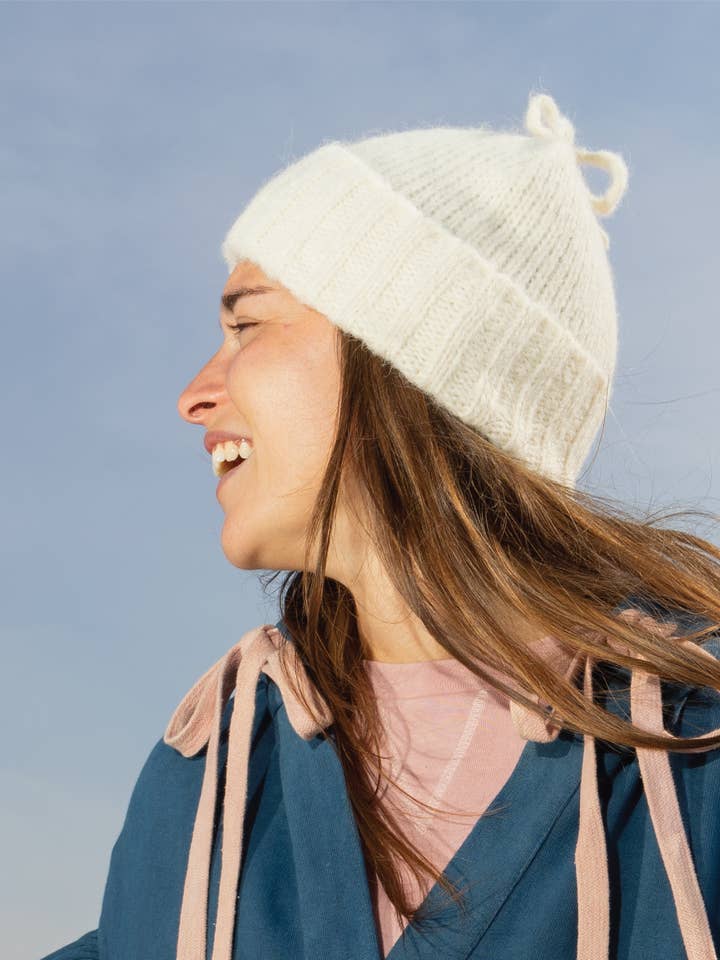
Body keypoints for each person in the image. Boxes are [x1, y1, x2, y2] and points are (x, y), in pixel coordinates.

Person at [40, 91, 720, 960]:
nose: (195, 395)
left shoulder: (689, 745)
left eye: (246, 323)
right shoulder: (208, 775)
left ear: (408, 356)